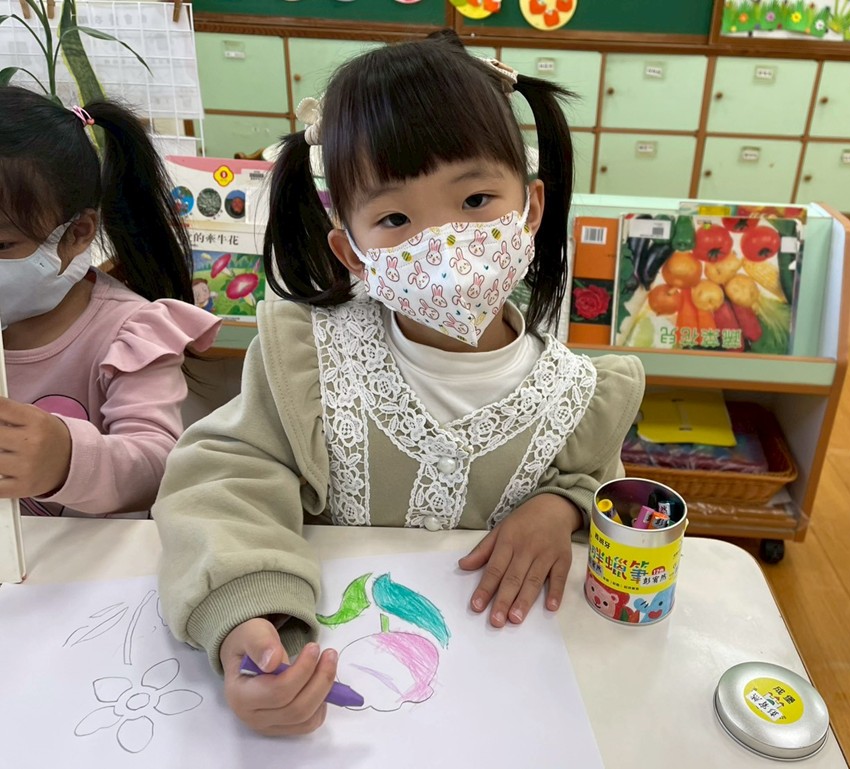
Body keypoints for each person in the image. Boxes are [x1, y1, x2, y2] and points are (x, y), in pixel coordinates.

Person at [154, 31, 644, 736]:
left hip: (501, 712)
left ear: (531, 209)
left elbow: (602, 490)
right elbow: (225, 483)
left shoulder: (580, 397)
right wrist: (245, 615)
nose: (442, 241)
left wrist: (563, 507)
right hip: (336, 696)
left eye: (476, 199)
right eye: (394, 218)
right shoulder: (307, 363)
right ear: (351, 250)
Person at [0, 87, 220, 517]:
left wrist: (65, 460)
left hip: (93, 555)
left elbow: (157, 465)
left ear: (78, 232)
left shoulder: (130, 333)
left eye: (2, 245)